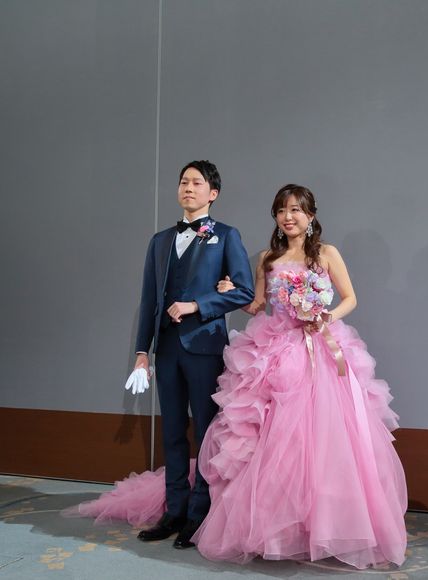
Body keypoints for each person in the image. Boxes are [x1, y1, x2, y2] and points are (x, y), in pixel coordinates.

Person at [68, 183, 407, 569]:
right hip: (275, 351)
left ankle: (324, 525)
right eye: (281, 210)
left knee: (321, 439)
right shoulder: (268, 258)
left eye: (295, 210)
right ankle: (275, 528)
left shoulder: (327, 254)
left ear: (310, 216)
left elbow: (350, 298)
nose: (288, 217)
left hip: (318, 350)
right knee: (271, 441)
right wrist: (234, 292)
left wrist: (324, 316)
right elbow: (258, 305)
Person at [132, 160, 254, 548]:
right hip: (167, 350)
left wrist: (197, 305)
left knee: (205, 432)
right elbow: (149, 300)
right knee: (171, 433)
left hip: (204, 348)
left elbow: (244, 292)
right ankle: (174, 511)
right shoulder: (160, 241)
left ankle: (199, 515)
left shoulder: (226, 236)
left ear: (212, 193)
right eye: (183, 182)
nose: (188, 188)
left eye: (196, 183)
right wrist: (142, 351)